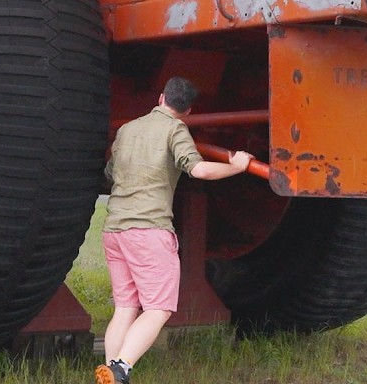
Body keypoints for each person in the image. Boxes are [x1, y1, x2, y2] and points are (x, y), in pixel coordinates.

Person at [95, 77, 254, 384]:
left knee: (125, 307)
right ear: (189, 110)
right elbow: (199, 169)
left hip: (115, 230)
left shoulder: (127, 129)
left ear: (161, 97)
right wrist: (238, 166)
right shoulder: (175, 129)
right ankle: (121, 369)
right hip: (149, 231)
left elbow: (109, 172)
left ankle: (110, 377)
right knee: (158, 309)